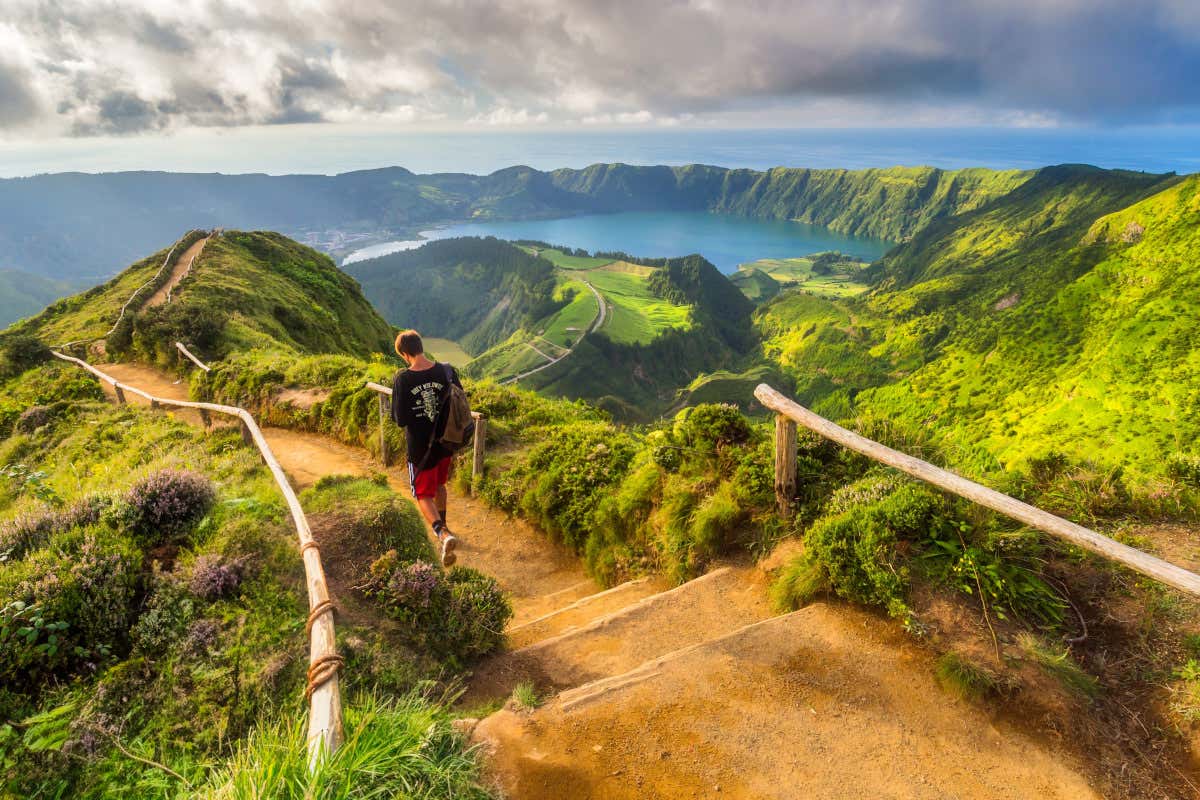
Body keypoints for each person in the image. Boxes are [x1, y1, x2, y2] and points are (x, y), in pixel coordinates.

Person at [390, 329, 460, 566]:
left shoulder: (403, 379)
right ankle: (446, 526)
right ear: (420, 346)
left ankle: (443, 534)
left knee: (422, 494)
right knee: (440, 485)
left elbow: (400, 419)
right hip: (446, 444)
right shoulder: (446, 371)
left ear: (404, 353)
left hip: (421, 450)